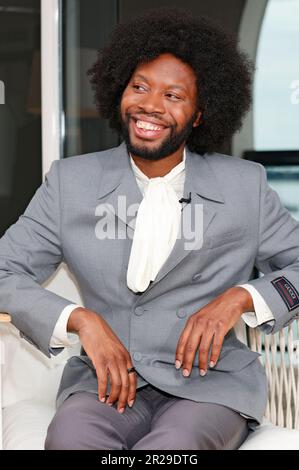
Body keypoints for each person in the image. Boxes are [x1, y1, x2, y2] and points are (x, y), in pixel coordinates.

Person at [0, 7, 299, 450]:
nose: (150, 105)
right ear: (118, 91)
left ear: (200, 114)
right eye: (139, 86)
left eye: (174, 95)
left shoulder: (244, 186)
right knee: (69, 442)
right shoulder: (70, 182)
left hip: (211, 387)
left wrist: (242, 298)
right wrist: (81, 321)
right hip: (104, 384)